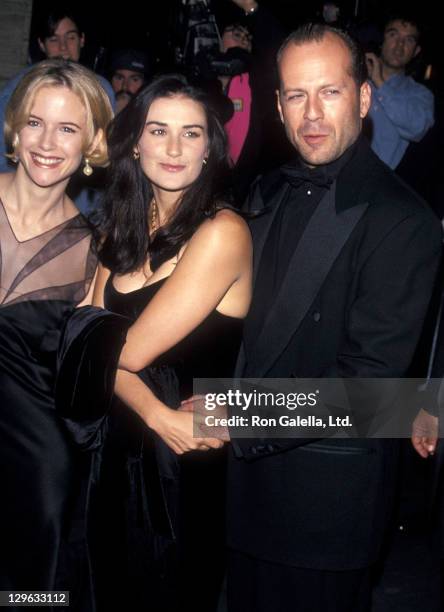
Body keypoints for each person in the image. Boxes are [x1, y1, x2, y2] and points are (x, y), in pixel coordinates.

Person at [224, 23, 442, 612]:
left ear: (364, 98)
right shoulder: (265, 192)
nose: (312, 113)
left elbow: (367, 389)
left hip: (324, 509)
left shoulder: (403, 219)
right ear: (277, 105)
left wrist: (232, 414)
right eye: (297, 95)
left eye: (331, 92)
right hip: (244, 500)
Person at [56, 74, 252, 611]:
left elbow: (118, 352)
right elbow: (82, 336)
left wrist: (159, 416)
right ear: (135, 142)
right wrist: (152, 410)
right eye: (158, 130)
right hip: (115, 446)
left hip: (177, 467)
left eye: (191, 134)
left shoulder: (221, 233)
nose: (172, 147)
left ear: (210, 148)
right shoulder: (121, 223)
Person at [0, 60, 112, 593]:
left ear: (90, 144)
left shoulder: (96, 254)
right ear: (15, 129)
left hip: (36, 459)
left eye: (67, 128)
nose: (47, 141)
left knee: (27, 591)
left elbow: (97, 375)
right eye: (35, 122)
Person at [0, 6, 115, 216]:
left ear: (82, 40)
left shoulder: (101, 91)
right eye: (34, 123)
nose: (63, 47)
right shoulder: (18, 88)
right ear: (41, 45)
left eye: (70, 38)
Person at [365, 14, 434, 169]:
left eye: (409, 40)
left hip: (375, 184)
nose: (399, 44)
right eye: (393, 34)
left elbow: (417, 128)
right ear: (382, 40)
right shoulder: (357, 76)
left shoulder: (420, 94)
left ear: (416, 51)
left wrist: (379, 83)